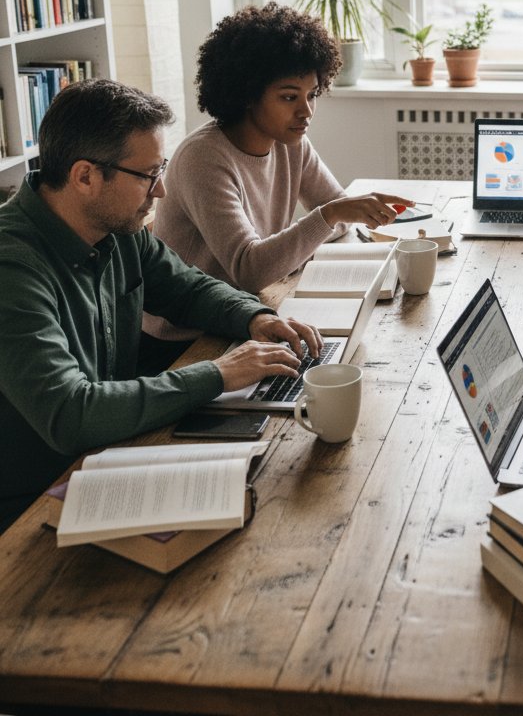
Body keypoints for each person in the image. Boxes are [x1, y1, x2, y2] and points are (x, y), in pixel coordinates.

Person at [0, 80, 323, 531]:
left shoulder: (115, 227)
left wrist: (256, 316)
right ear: (85, 177)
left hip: (108, 455)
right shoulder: (12, 268)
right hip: (33, 502)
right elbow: (71, 414)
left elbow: (187, 288)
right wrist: (218, 373)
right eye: (148, 175)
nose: (161, 192)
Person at [145, 2, 414, 347]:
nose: (306, 111)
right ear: (247, 94)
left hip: (249, 314)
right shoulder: (203, 159)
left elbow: (340, 216)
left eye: (312, 95)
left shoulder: (290, 143)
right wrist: (329, 216)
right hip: (186, 339)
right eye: (289, 97)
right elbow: (250, 270)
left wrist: (334, 216)